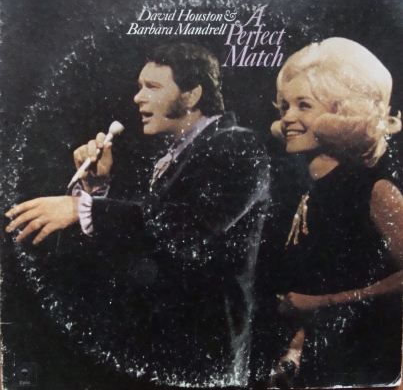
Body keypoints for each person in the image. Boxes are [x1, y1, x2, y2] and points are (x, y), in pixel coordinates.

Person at [5, 43, 270, 387]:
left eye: (152, 87)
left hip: (201, 358)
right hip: (169, 352)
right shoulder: (184, 151)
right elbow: (147, 241)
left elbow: (187, 227)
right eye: (140, 86)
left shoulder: (236, 144)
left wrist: (81, 208)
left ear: (192, 95)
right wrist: (96, 187)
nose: (138, 97)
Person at [254, 37, 403, 388]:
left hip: (360, 364)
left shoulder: (377, 190)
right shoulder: (303, 188)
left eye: (303, 105)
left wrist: (323, 302)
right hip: (306, 362)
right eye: (285, 106)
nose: (287, 118)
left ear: (343, 112)